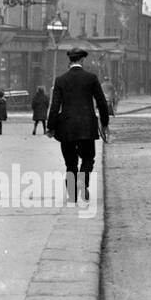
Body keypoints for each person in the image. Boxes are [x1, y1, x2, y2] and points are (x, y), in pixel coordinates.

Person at [46, 48, 109, 203]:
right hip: (87, 126)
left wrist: (51, 127)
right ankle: (83, 182)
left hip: (66, 127)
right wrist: (105, 123)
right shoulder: (91, 78)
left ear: (70, 61)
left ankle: (72, 193)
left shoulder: (60, 80)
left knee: (70, 162)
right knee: (88, 158)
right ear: (82, 60)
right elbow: (102, 103)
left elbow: (55, 106)